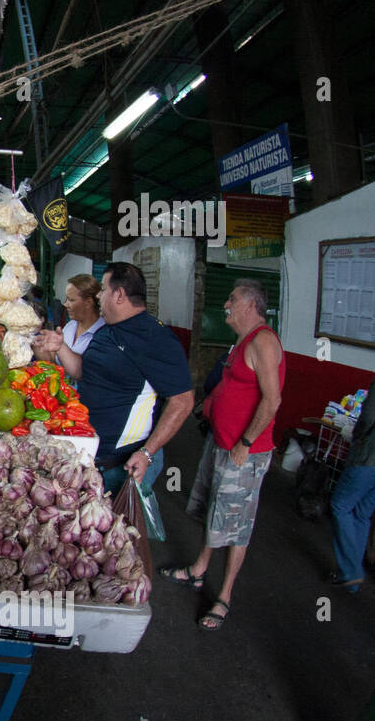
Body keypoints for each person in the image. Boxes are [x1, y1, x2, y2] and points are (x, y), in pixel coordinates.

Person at [160, 280, 285, 630]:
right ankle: (199, 570)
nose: (226, 304)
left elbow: (272, 400)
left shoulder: (263, 340)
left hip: (244, 451)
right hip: (221, 443)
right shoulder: (242, 341)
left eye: (231, 298)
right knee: (214, 512)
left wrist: (245, 442)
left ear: (249, 304)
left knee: (237, 526)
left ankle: (225, 596)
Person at [35, 261, 194, 496]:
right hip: (88, 453)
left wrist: (147, 453)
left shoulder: (156, 338)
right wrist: (60, 347)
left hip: (121, 464)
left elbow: (183, 401)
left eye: (103, 289)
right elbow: (81, 370)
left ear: (119, 295)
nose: (99, 295)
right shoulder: (106, 330)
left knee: (123, 528)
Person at [327, 376, 374, 592]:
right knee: (361, 514)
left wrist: (357, 437)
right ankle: (351, 574)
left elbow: (367, 418)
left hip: (368, 458)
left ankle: (352, 571)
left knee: (340, 506)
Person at [34, 274, 104, 373]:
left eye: (71, 300)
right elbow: (52, 361)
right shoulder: (70, 326)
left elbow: (85, 371)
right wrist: (32, 340)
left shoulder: (103, 333)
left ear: (88, 302)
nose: (65, 304)